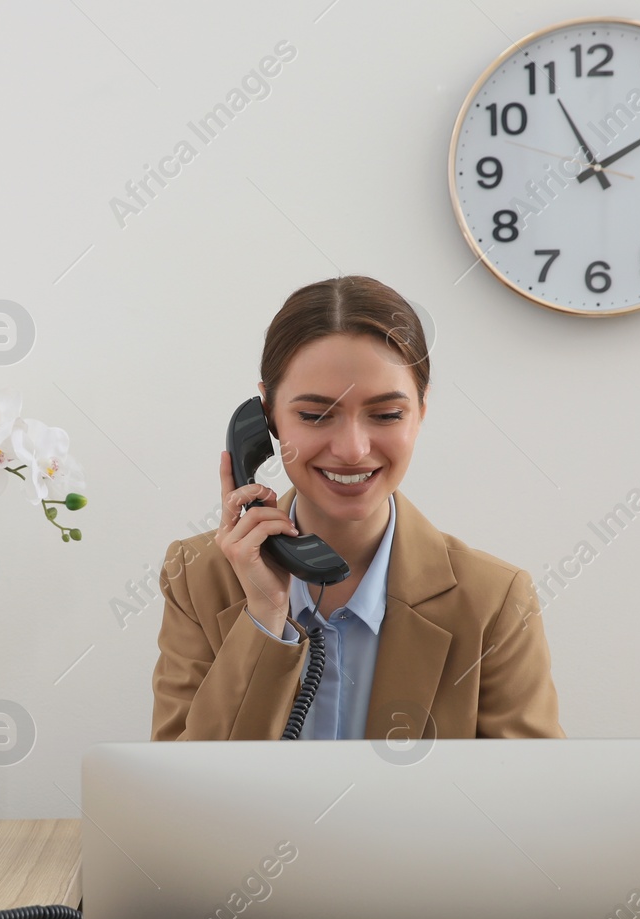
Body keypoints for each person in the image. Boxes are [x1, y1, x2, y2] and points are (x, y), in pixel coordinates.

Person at [151, 275, 565, 742]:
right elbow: (177, 795)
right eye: (314, 415)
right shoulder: (196, 576)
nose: (351, 449)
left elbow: (530, 803)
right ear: (266, 419)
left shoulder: (494, 601)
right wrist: (263, 620)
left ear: (422, 412)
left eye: (387, 414)